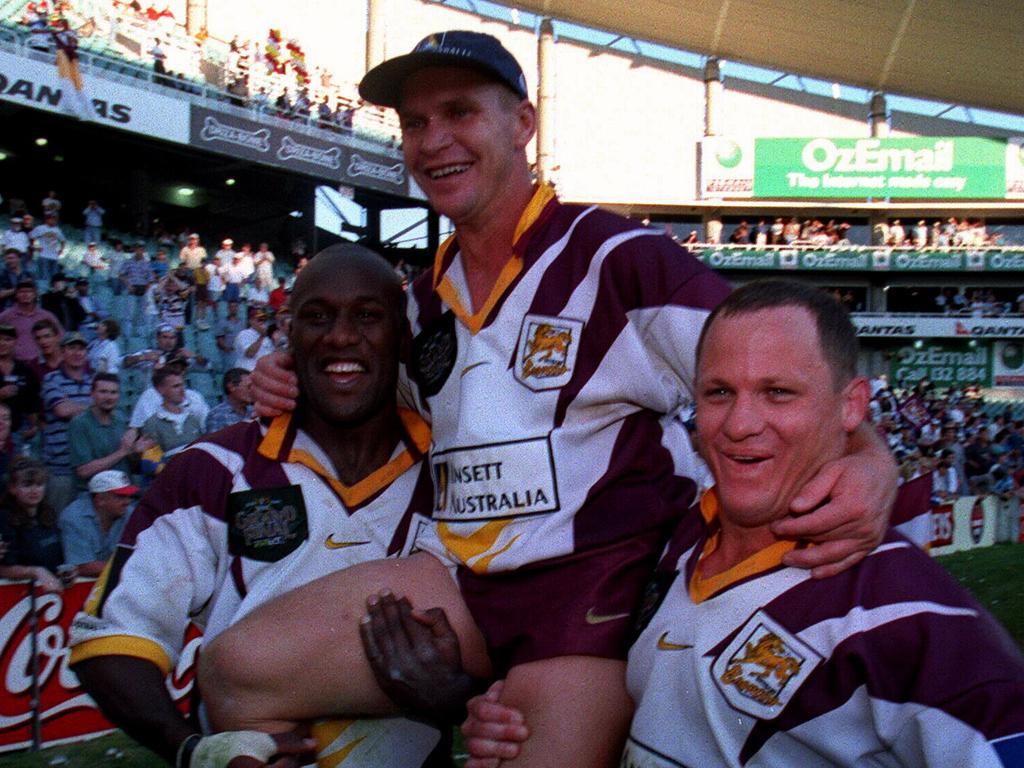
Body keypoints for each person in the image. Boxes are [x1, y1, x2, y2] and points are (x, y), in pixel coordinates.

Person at [200, 32, 895, 768]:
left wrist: (869, 453)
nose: (434, 141)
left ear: (523, 124)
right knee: (234, 671)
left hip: (590, 604)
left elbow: (782, 360)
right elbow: (363, 394)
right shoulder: (420, 304)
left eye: (460, 112)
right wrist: (290, 371)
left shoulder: (618, 258)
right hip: (459, 589)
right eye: (414, 123)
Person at [458, 280, 1024, 767]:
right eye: (719, 393)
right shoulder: (673, 543)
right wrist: (520, 719)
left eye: (778, 393)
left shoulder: (914, 621)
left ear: (852, 407)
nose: (740, 424)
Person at [70, 246, 451, 768]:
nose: (341, 335)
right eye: (317, 317)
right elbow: (115, 637)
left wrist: (457, 692)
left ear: (402, 335)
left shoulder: (452, 475)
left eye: (368, 315)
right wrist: (187, 747)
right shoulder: (207, 470)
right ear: (287, 335)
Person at [69, 372, 153, 489]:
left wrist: (136, 452)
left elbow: (132, 466)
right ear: (92, 394)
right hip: (94, 495)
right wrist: (122, 452)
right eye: (103, 392)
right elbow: (83, 471)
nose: (109, 397)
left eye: (113, 392)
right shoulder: (79, 423)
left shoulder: (121, 419)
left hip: (125, 490)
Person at [40, 332, 93, 514]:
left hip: (88, 466)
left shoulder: (92, 381)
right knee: (56, 520)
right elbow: (62, 410)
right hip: (60, 467)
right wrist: (95, 406)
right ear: (62, 352)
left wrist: (75, 405)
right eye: (72, 348)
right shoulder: (51, 379)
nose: (77, 353)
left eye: (81, 349)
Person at [0, 457, 65, 594]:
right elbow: (3, 569)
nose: (34, 490)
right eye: (27, 485)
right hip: (17, 599)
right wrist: (36, 571)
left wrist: (67, 573)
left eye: (39, 484)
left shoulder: (49, 514)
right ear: (12, 488)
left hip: (51, 598)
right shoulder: (5, 520)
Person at [58, 469, 137, 577]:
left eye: (128, 496)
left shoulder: (129, 513)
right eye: (120, 496)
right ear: (100, 499)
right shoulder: (73, 517)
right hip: (83, 587)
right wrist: (134, 567)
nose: (127, 502)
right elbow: (83, 567)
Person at [140, 366, 205, 456]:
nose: (182, 390)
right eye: (176, 386)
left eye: (182, 385)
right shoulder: (151, 424)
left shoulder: (193, 419)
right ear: (160, 390)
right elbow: (152, 462)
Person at [0, 278, 62, 363]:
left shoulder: (47, 316)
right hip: (16, 364)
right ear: (16, 295)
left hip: (41, 363)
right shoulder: (6, 316)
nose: (25, 295)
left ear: (35, 295)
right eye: (22, 292)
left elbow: (61, 337)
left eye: (29, 292)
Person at [204, 367, 254, 433]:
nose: (253, 391)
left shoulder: (254, 412)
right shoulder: (218, 415)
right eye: (249, 387)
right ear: (232, 387)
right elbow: (214, 442)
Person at [232, 305, 275, 372]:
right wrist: (261, 337)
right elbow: (249, 353)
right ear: (251, 321)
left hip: (264, 373)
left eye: (264, 319)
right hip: (247, 372)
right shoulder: (244, 334)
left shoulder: (268, 336)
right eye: (260, 319)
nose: (262, 322)